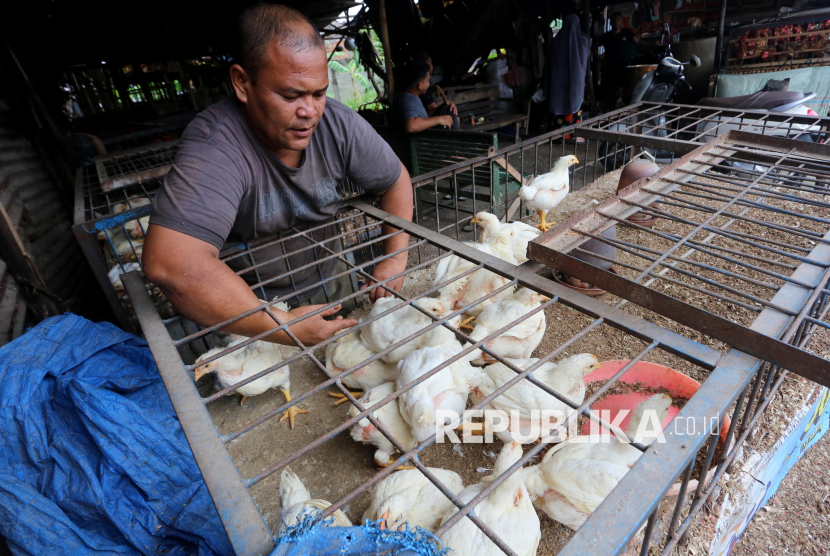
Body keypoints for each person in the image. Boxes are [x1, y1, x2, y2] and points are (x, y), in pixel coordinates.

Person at [142, 4, 413, 347]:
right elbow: (169, 263)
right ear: (242, 83)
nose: (309, 112)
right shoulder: (216, 146)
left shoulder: (338, 124)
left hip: (332, 283)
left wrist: (394, 259)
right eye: (290, 95)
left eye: (319, 93)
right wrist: (281, 325)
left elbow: (395, 181)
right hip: (249, 314)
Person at [541, 14, 591, 135]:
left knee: (559, 103)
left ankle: (558, 134)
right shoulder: (582, 42)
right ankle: (574, 135)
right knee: (574, 104)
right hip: (576, 84)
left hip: (558, 84)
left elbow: (547, 65)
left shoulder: (555, 43)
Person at [390, 62, 458, 132]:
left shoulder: (402, 96)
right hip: (421, 141)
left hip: (419, 140)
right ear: (420, 85)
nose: (429, 84)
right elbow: (411, 126)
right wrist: (438, 120)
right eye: (428, 80)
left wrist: (443, 107)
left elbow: (421, 117)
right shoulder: (410, 100)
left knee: (447, 109)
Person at [596, 12, 642, 106]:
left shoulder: (627, 33)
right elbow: (594, 45)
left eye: (617, 19)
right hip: (609, 68)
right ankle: (606, 108)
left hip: (623, 67)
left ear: (621, 21)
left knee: (622, 88)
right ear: (611, 22)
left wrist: (653, 45)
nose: (616, 22)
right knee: (609, 90)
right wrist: (599, 58)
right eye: (613, 20)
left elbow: (639, 42)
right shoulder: (606, 36)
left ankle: (606, 106)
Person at [412, 50, 458, 119]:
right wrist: (445, 108)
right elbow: (433, 110)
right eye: (430, 62)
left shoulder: (413, 91)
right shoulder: (420, 93)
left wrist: (434, 87)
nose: (428, 84)